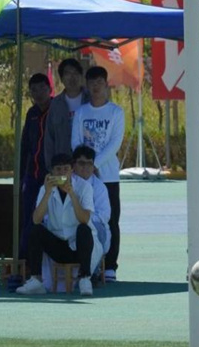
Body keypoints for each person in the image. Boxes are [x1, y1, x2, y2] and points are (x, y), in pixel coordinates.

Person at [15, 153, 103, 296]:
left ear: (71, 170)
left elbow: (85, 219)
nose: (62, 173)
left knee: (84, 229)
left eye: (65, 169)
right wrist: (47, 193)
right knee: (35, 230)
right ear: (52, 172)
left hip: (79, 247)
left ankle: (85, 278)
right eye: (58, 170)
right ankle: (36, 280)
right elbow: (36, 219)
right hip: (58, 244)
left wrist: (72, 194)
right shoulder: (46, 188)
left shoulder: (84, 187)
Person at [71, 66, 125, 280]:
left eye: (99, 82)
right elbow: (75, 141)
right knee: (83, 218)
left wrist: (94, 164)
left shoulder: (116, 112)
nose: (95, 87)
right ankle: (87, 263)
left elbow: (115, 143)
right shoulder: (81, 112)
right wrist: (82, 167)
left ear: (105, 84)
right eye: (92, 83)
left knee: (110, 220)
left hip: (108, 176)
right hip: (83, 177)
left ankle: (110, 265)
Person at [19, 73, 53, 259]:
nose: (39, 93)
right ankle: (24, 260)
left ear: (50, 89)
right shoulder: (31, 113)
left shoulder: (57, 109)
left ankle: (47, 261)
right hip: (32, 176)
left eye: (42, 89)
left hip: (51, 176)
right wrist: (21, 177)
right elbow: (25, 146)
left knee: (48, 218)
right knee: (28, 218)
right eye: (34, 90)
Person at [44, 58, 89, 172]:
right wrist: (50, 166)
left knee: (85, 190)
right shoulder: (56, 104)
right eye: (67, 73)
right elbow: (49, 138)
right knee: (66, 189)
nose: (72, 77)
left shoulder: (91, 100)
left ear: (81, 76)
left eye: (75, 73)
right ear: (62, 78)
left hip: (87, 166)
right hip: (63, 166)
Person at [72, 145, 112, 264]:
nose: (86, 167)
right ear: (73, 165)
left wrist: (84, 219)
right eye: (82, 163)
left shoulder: (100, 187)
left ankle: (91, 271)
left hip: (93, 228)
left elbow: (104, 216)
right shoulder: (67, 183)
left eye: (90, 163)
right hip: (69, 226)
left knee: (88, 229)